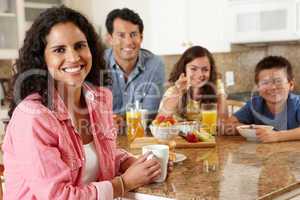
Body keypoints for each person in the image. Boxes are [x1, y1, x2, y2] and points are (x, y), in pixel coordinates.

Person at [3, 6, 171, 199]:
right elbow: (59, 196)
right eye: (59, 50)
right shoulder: (33, 117)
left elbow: (102, 154)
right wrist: (125, 183)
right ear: (42, 58)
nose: (74, 57)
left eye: (80, 45)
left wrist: (136, 163)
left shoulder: (98, 99)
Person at [104, 8, 165, 130]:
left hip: (140, 137)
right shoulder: (98, 63)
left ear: (141, 38)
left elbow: (150, 114)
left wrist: (121, 121)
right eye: (121, 35)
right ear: (110, 39)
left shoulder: (155, 64)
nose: (128, 42)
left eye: (133, 34)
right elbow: (91, 111)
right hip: (105, 137)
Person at [227, 56, 300, 142]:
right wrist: (252, 130)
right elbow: (229, 124)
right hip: (261, 153)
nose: (272, 87)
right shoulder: (255, 104)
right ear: (258, 87)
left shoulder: (297, 103)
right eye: (265, 82)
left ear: (291, 84)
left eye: (278, 81)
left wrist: (277, 136)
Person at [158, 46, 227, 124]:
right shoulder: (174, 90)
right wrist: (178, 92)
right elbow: (159, 120)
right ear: (184, 69)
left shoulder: (216, 86)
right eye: (193, 69)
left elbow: (223, 121)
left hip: (209, 135)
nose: (200, 74)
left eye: (205, 69)